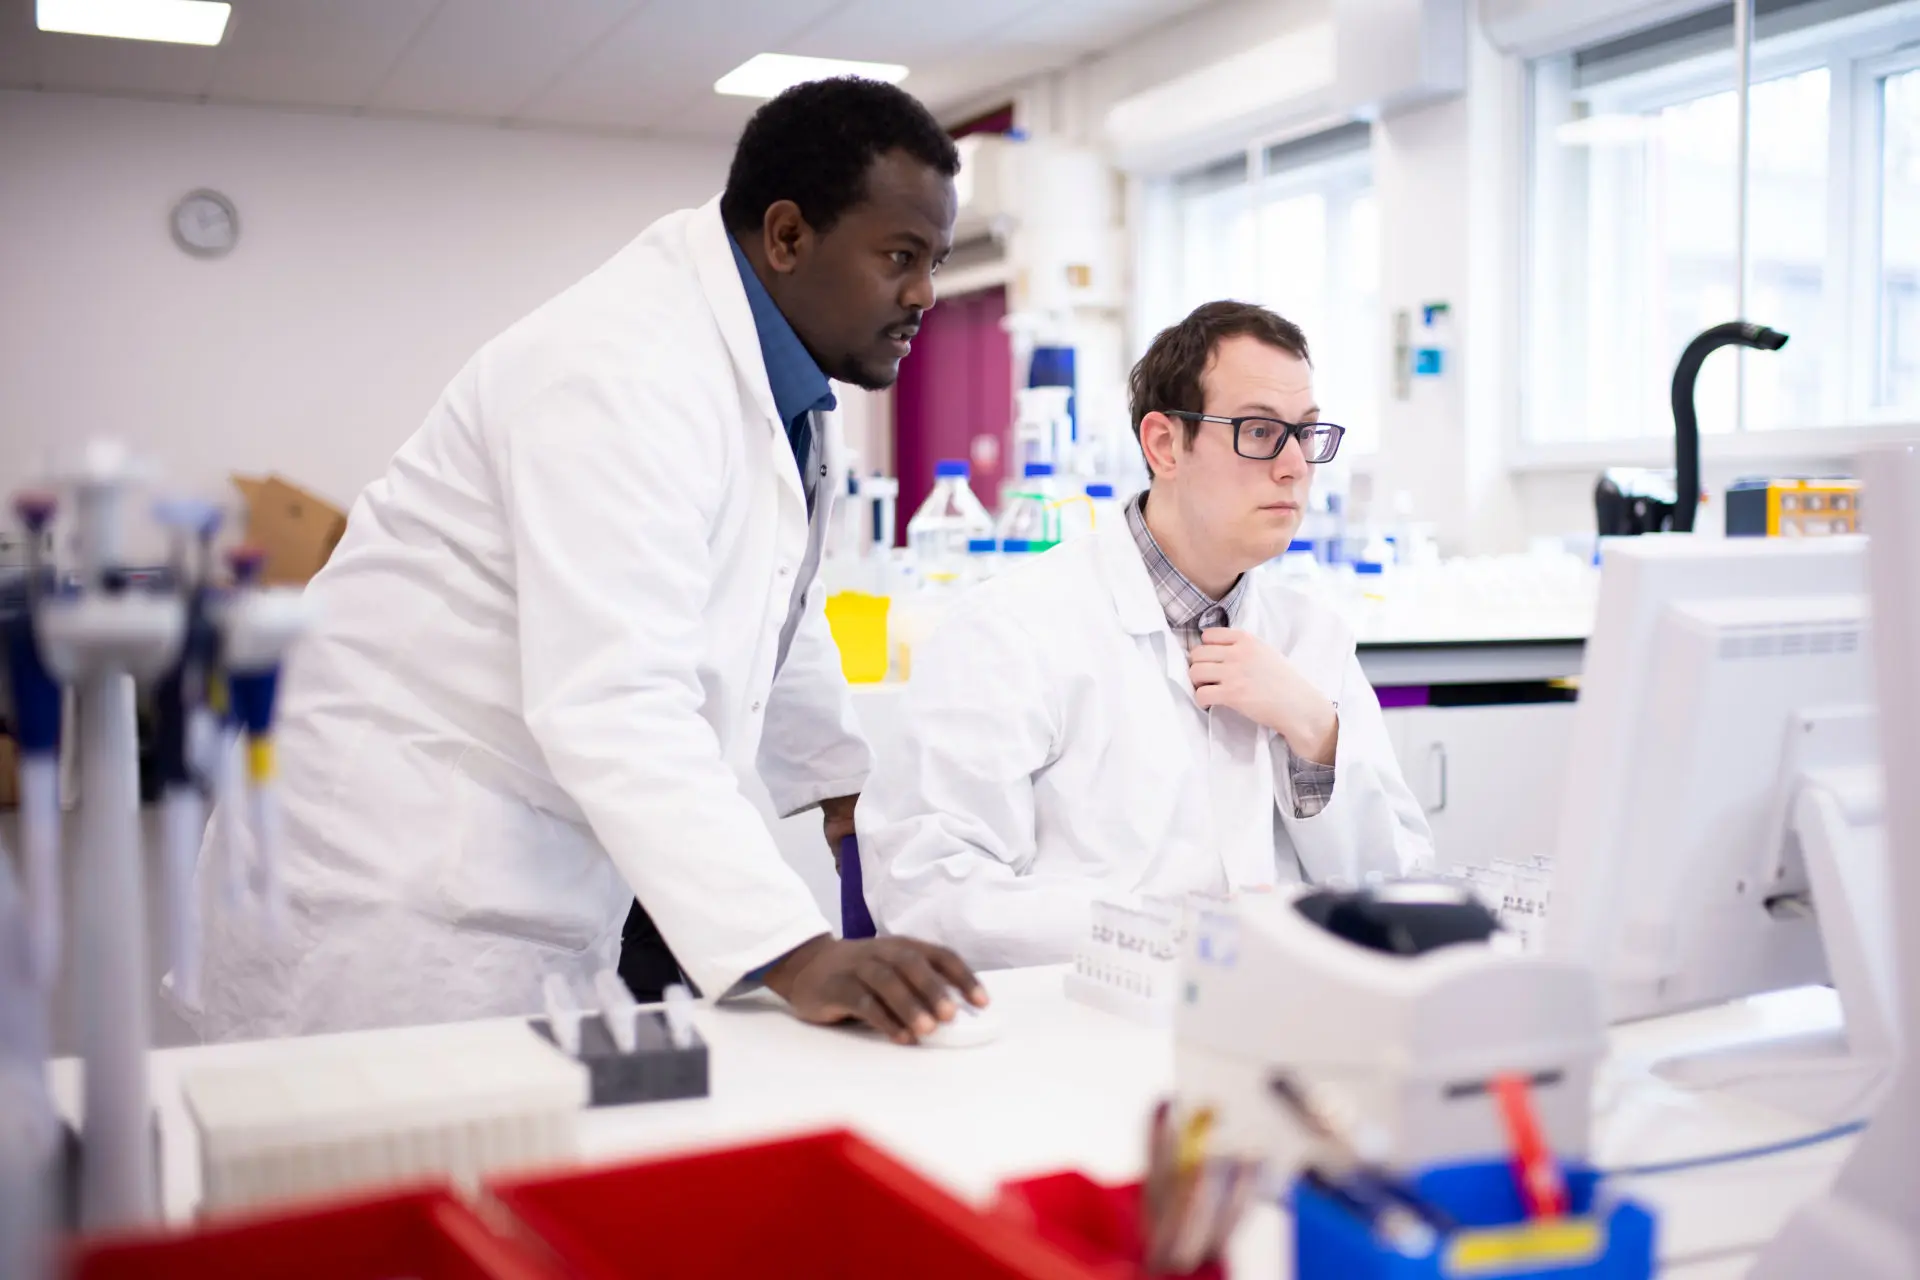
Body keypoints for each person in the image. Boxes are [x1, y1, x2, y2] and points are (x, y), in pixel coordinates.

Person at [188, 77, 985, 1046]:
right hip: (394, 871)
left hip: (520, 855)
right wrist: (795, 950)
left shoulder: (779, 377)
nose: (924, 294)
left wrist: (840, 785)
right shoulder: (622, 371)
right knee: (394, 1131)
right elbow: (612, 695)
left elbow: (775, 590)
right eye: (901, 256)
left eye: (936, 262)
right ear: (787, 236)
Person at [857, 301, 1435, 969]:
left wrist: (1315, 731)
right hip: (1078, 1015)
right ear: (1164, 445)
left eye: (1305, 434)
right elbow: (931, 893)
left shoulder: (1312, 639)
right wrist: (1180, 937)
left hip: (1281, 1009)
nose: (1294, 466)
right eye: (1257, 431)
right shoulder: (1012, 629)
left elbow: (1400, 891)